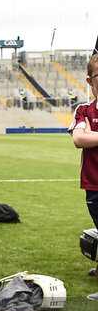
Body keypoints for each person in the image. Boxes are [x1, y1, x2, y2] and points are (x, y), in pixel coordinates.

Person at [69, 53, 98, 233]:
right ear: (90, 81)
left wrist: (92, 135)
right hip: (95, 186)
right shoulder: (84, 110)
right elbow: (79, 139)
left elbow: (86, 137)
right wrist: (85, 136)